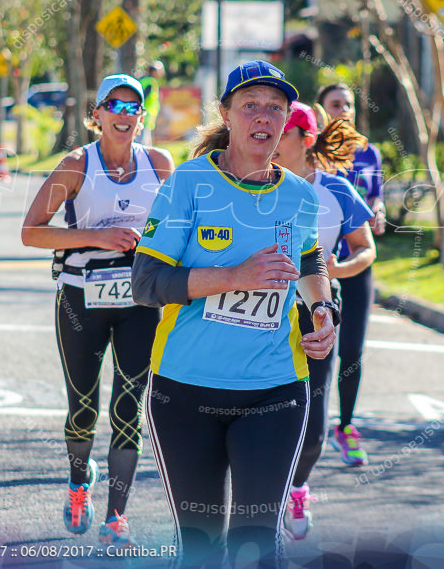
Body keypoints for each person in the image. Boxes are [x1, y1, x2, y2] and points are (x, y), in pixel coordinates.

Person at [132, 60, 337, 567]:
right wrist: (234, 277)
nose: (263, 117)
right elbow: (145, 284)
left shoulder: (300, 195)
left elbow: (308, 257)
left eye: (275, 108)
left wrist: (322, 306)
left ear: (287, 120)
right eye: (250, 106)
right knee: (200, 548)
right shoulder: (189, 184)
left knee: (256, 545)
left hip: (274, 390)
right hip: (186, 392)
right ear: (226, 114)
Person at [21, 74, 175, 548]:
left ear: (142, 119)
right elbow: (32, 231)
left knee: (129, 408)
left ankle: (116, 517)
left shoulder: (161, 164)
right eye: (116, 107)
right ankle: (77, 483)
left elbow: (178, 227)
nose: (125, 116)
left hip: (141, 301)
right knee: (83, 407)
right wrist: (97, 237)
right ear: (98, 115)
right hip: (80, 301)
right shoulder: (76, 165)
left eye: (134, 108)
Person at [270, 102, 376, 541]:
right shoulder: (255, 183)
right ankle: (261, 495)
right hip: (261, 315)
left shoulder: (336, 191)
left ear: (306, 139)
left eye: (284, 130)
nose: (272, 138)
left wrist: (337, 271)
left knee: (312, 430)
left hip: (316, 310)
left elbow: (366, 249)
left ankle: (297, 487)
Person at [315, 83, 385, 467]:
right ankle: (310, 425)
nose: (342, 110)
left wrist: (379, 209)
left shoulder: (369, 152)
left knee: (352, 350)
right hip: (315, 269)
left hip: (355, 265)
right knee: (313, 349)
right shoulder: (312, 153)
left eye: (348, 105)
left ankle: (345, 426)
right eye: (335, 104)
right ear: (322, 111)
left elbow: (374, 196)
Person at [137, 60, 165, 146]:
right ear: (153, 71)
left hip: (143, 118)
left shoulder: (143, 80)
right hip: (145, 117)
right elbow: (142, 98)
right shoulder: (151, 82)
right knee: (143, 145)